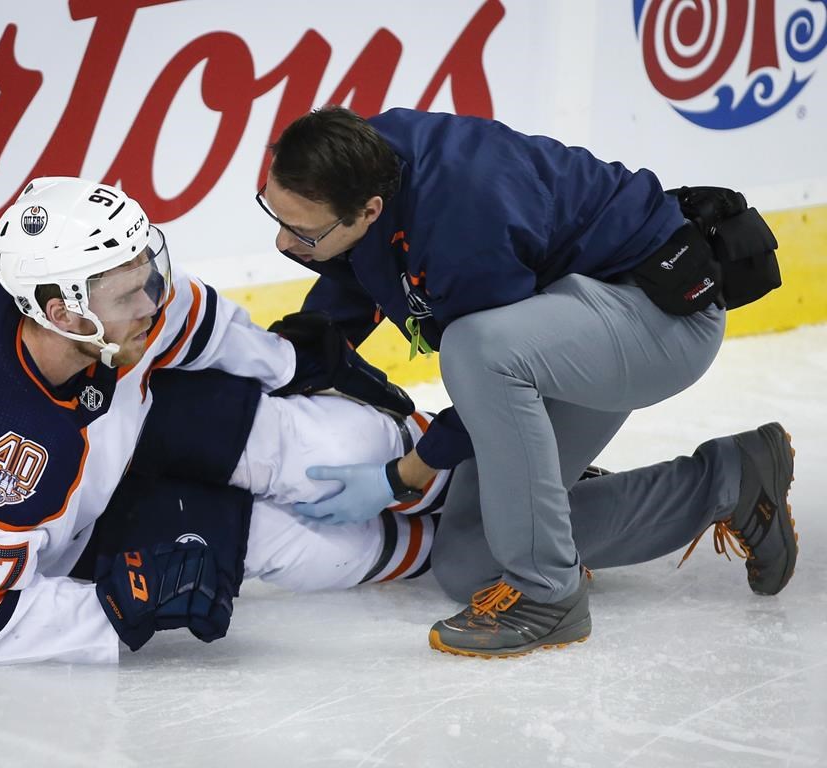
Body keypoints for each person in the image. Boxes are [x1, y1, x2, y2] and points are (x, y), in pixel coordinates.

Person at [255, 105, 798, 658]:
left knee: (473, 348)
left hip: (656, 320)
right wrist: (276, 365)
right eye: (273, 213)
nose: (282, 243)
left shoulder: (465, 219)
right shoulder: (359, 162)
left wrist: (401, 476)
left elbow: (489, 370)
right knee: (470, 560)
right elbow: (361, 277)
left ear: (369, 208)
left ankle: (546, 595)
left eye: (301, 231)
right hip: (564, 324)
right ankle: (730, 480)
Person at [0, 176, 444, 665]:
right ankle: (446, 547)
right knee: (268, 538)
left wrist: (289, 362)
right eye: (129, 293)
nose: (151, 301)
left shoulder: (74, 305)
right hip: (16, 528)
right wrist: (115, 605)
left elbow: (186, 317)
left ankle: (454, 471)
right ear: (64, 313)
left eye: (147, 273)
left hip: (90, 420)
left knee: (316, 441)